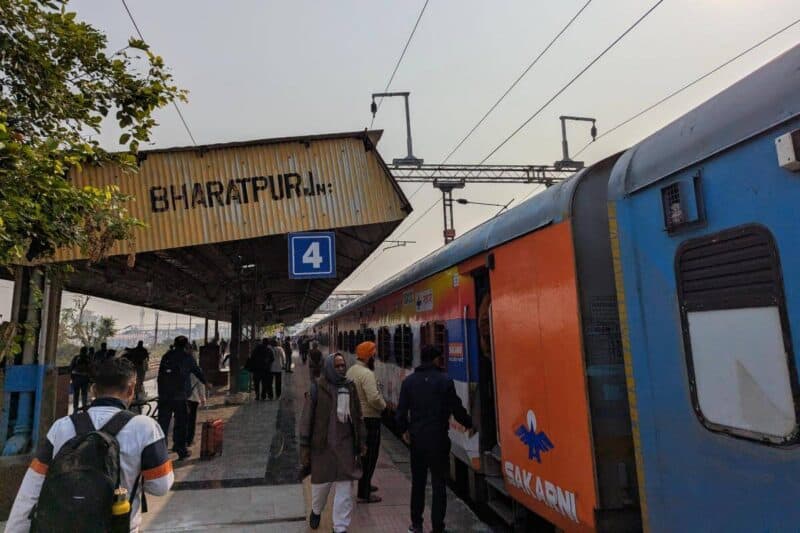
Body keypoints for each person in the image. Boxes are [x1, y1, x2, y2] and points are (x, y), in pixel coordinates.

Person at [5, 357, 174, 533]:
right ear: (131, 389)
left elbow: (32, 488)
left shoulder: (62, 427)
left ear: (93, 389)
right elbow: (160, 486)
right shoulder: (145, 427)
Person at [396, 345, 473, 533]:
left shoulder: (409, 382)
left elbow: (400, 414)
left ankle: (416, 525)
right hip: (439, 440)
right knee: (439, 485)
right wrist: (470, 423)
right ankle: (438, 527)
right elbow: (456, 409)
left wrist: (404, 431)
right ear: (437, 359)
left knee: (418, 483)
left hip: (417, 441)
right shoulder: (445, 381)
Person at [299, 353, 366, 533]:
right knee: (321, 487)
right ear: (328, 367)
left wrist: (362, 441)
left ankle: (340, 527)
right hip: (322, 447)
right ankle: (316, 510)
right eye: (337, 366)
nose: (341, 369)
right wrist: (304, 446)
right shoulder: (316, 389)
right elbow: (306, 419)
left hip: (346, 446)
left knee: (345, 488)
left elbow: (358, 416)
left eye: (342, 365)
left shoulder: (350, 387)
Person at [346, 341, 386, 503]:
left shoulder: (351, 371)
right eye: (373, 355)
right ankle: (364, 493)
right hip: (369, 419)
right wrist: (383, 406)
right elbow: (374, 398)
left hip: (357, 417)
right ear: (369, 356)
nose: (375, 358)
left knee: (364, 455)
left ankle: (366, 484)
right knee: (370, 456)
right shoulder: (367, 374)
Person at [157, 335, 208, 459]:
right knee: (181, 423)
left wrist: (161, 394)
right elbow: (197, 371)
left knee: (163, 425)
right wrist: (206, 383)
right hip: (180, 396)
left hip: (165, 396)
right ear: (186, 345)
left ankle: (160, 454)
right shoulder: (187, 357)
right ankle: (181, 450)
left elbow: (160, 377)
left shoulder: (166, 356)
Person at [186, 346, 206, 447]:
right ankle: (189, 440)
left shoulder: (181, 368)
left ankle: (180, 441)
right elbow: (200, 385)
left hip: (182, 398)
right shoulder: (197, 369)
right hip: (193, 399)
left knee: (181, 420)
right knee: (191, 420)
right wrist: (203, 398)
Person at [69, 346, 92, 412]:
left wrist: (72, 377)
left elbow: (71, 367)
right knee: (84, 393)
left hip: (76, 378)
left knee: (76, 394)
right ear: (86, 351)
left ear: (80, 351)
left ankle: (75, 408)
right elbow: (91, 368)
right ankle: (84, 407)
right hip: (85, 378)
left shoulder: (76, 357)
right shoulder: (88, 358)